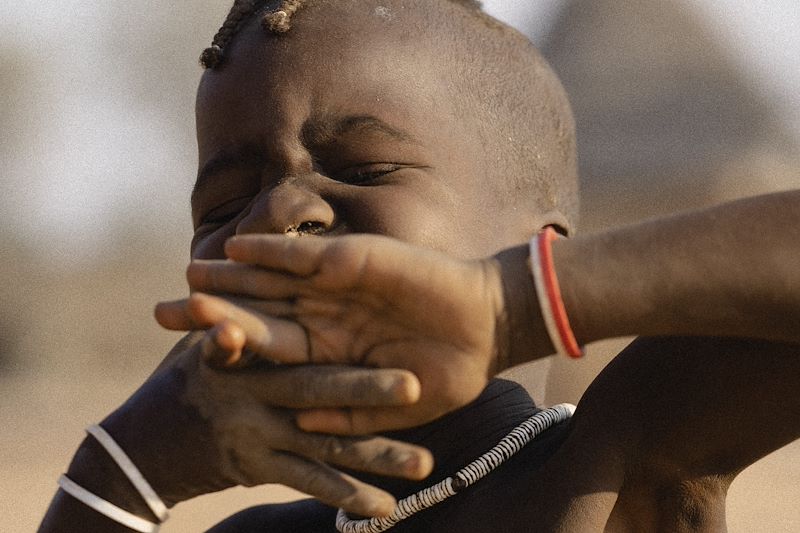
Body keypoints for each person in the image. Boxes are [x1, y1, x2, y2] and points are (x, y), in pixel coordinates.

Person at [40, 0, 800, 531]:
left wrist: (509, 304)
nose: (275, 215)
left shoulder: (621, 463)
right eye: (223, 205)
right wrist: (116, 475)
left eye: (364, 170)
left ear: (545, 238)